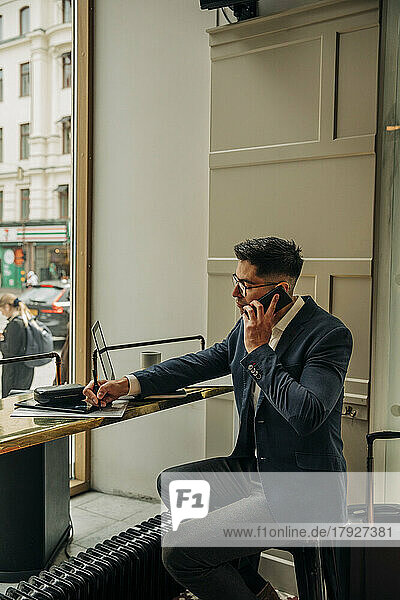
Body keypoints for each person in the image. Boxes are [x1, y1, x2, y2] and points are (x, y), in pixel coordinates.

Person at [83, 237, 353, 600]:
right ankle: (255, 590)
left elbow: (307, 414)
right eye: (235, 280)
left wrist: (260, 350)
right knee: (174, 483)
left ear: (281, 290)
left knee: (180, 555)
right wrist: (128, 384)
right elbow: (199, 363)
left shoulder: (328, 334)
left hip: (304, 488)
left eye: (245, 284)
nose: (235, 293)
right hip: (256, 471)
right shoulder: (247, 327)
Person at [0, 293, 34, 398]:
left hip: (15, 373)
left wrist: (1, 342)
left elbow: (10, 351)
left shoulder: (15, 324)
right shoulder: (24, 319)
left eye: (2, 309)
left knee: (10, 402)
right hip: (24, 370)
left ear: (7, 306)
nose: (2, 313)